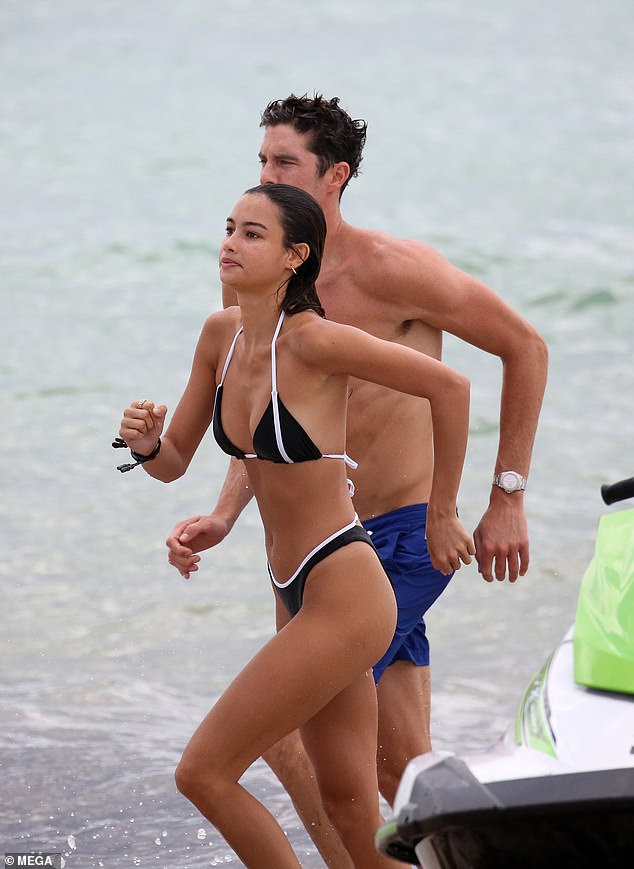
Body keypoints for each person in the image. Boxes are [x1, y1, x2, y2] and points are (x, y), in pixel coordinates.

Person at [165, 94, 548, 856]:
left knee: (289, 742)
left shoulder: (394, 272)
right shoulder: (259, 283)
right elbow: (267, 416)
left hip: (398, 538)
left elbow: (524, 347)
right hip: (321, 546)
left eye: (286, 163)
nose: (267, 176)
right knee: (401, 762)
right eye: (262, 160)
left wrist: (501, 497)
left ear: (334, 176)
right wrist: (226, 511)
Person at [116, 183, 474, 868]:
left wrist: (443, 507)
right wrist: (145, 443)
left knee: (203, 771)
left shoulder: (317, 341)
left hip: (345, 589)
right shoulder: (221, 337)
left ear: (294, 256)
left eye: (253, 234)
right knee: (348, 807)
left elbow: (449, 386)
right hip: (292, 590)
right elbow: (174, 461)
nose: (230, 242)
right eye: (228, 228)